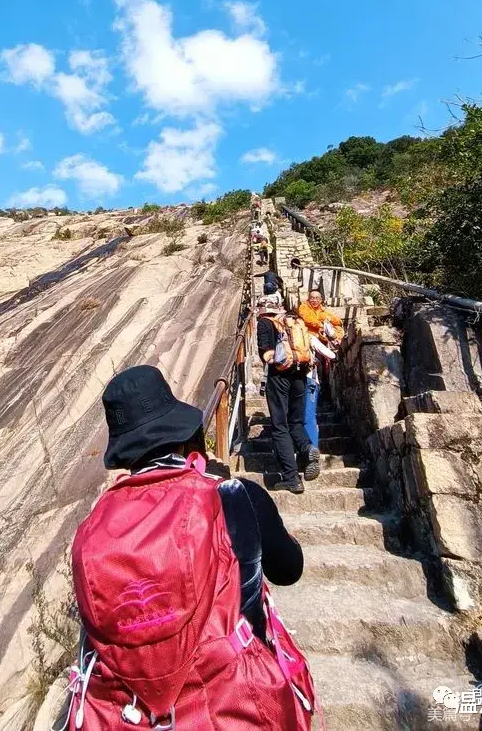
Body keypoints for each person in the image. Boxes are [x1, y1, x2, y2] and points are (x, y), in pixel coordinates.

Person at [65, 365, 316, 729]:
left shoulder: (91, 533)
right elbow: (290, 569)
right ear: (182, 434)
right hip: (238, 709)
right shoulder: (232, 498)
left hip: (131, 717)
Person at [256, 296, 317, 494]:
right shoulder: (293, 320)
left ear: (262, 309)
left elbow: (267, 353)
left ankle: (292, 478)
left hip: (279, 378)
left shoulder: (265, 323)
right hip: (300, 375)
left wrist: (270, 359)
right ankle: (307, 448)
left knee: (280, 426)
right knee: (296, 422)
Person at [298, 290, 343, 471]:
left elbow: (337, 321)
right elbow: (332, 354)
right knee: (309, 415)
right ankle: (311, 451)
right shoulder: (310, 332)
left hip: (292, 380)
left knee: (297, 415)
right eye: (312, 298)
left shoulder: (291, 333)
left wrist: (327, 324)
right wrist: (324, 328)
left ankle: (302, 450)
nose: (315, 300)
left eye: (317, 298)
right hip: (310, 376)